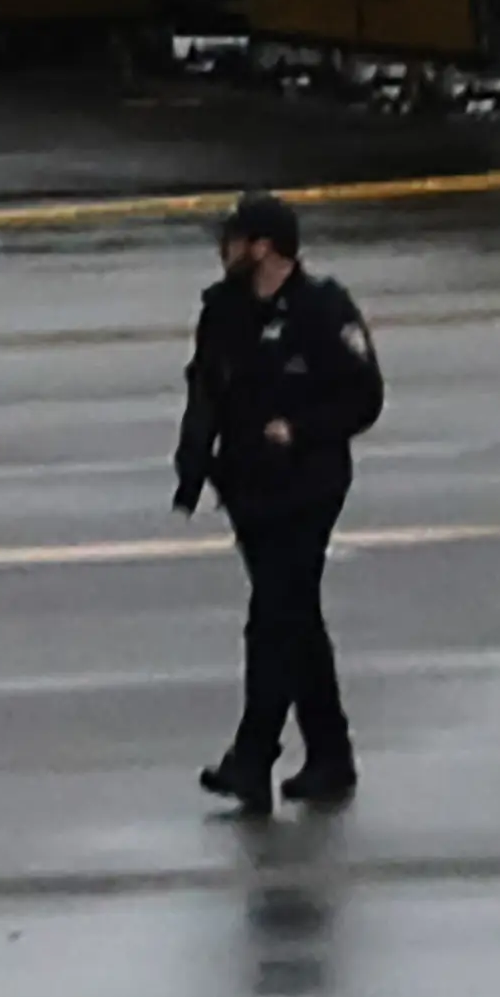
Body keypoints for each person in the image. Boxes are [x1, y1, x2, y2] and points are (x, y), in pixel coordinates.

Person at [175, 189, 383, 812]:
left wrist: (300, 429)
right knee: (294, 619)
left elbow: (364, 397)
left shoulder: (322, 310)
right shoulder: (223, 311)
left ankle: (252, 756)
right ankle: (330, 753)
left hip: (308, 485)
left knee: (273, 617)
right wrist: (193, 465)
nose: (226, 249)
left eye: (236, 239)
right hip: (248, 488)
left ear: (265, 247)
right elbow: (205, 389)